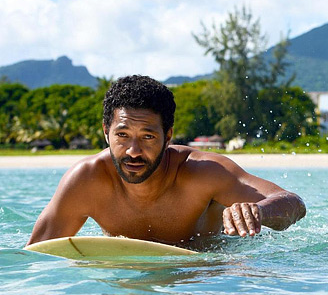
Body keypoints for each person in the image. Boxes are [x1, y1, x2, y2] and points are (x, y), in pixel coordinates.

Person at [27, 75, 306, 246]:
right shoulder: (86, 181)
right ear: (105, 132)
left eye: (147, 137)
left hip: (203, 272)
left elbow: (293, 204)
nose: (133, 151)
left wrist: (259, 212)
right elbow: (37, 255)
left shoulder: (203, 173)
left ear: (168, 135)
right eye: (122, 135)